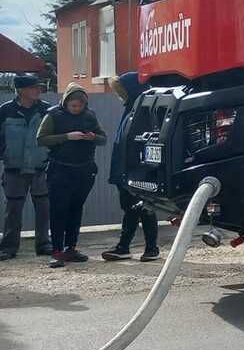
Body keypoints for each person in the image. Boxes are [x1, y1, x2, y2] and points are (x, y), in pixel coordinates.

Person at [35, 82, 107, 267]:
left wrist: (92, 137)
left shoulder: (90, 115)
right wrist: (67, 136)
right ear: (66, 102)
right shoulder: (53, 114)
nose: (77, 109)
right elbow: (41, 139)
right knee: (59, 210)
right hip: (60, 169)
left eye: (80, 106)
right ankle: (56, 250)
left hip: (84, 169)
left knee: (76, 209)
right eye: (73, 105)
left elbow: (103, 138)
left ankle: (71, 247)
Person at [101, 72, 160, 263]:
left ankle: (150, 248)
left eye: (121, 90)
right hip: (126, 169)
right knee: (131, 208)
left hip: (135, 169)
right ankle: (126, 246)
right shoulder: (134, 108)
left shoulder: (141, 110)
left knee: (144, 208)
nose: (119, 94)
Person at [0, 73, 53, 260]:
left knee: (44, 208)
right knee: (12, 210)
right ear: (22, 90)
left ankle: (44, 244)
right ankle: (8, 247)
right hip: (14, 169)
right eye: (34, 87)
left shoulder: (48, 110)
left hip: (41, 168)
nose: (39, 90)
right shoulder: (5, 111)